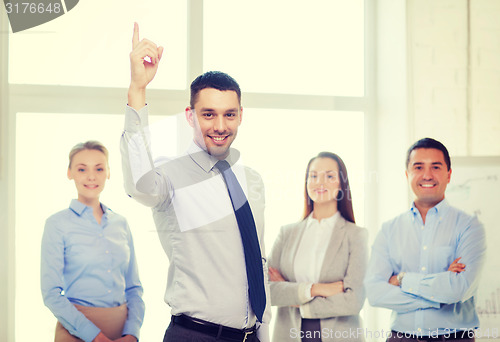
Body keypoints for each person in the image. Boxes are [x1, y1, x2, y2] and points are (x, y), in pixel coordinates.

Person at [120, 23, 270, 342]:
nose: (220, 125)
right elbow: (138, 185)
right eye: (208, 114)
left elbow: (257, 260)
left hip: (251, 335)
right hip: (195, 335)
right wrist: (137, 90)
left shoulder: (251, 179)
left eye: (229, 114)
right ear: (190, 116)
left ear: (241, 115)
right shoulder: (170, 176)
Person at [365, 137, 486, 342]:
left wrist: (402, 279)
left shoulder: (469, 227)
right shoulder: (389, 230)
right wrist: (439, 291)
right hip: (401, 338)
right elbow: (375, 293)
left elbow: (459, 289)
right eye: (418, 167)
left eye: (436, 167)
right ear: (407, 174)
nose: (427, 175)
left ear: (449, 175)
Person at [41, 141, 145, 342]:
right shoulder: (57, 224)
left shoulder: (121, 224)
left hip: (122, 333)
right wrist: (95, 336)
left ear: (108, 172)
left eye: (99, 168)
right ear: (70, 173)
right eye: (82, 169)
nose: (91, 177)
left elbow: (134, 288)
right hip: (75, 332)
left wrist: (132, 334)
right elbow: (51, 293)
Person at [268, 152, 368, 342]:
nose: (319, 182)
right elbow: (267, 291)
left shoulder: (356, 236)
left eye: (329, 176)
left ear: (341, 185)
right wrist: (315, 289)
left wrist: (297, 300)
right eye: (313, 176)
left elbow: (354, 301)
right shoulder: (286, 233)